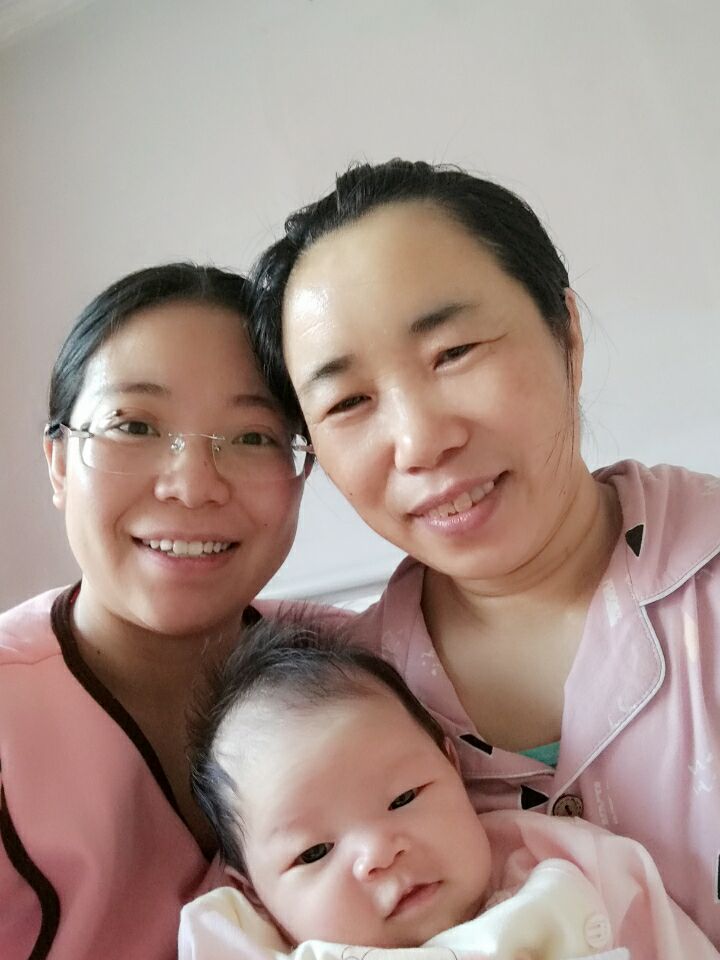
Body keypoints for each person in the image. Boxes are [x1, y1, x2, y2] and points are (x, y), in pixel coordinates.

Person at [247, 159, 720, 943]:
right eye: (349, 401)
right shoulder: (327, 719)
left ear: (566, 332)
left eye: (454, 352)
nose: (420, 441)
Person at [0, 264, 313, 960]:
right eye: (134, 425)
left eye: (253, 436)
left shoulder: (353, 663)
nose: (193, 486)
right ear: (58, 464)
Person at [179, 620, 715, 959]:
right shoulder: (245, 943)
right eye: (314, 852)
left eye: (404, 799)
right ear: (256, 895)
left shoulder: (561, 863)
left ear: (451, 765)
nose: (379, 852)